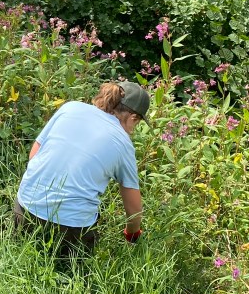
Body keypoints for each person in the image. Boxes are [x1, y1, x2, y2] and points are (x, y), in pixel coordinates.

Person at [13, 81, 150, 256]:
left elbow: (34, 155)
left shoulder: (70, 108)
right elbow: (133, 209)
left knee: (22, 257)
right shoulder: (123, 143)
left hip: (24, 208)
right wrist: (132, 235)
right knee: (72, 272)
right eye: (136, 124)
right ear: (133, 118)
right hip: (70, 227)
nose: (133, 130)